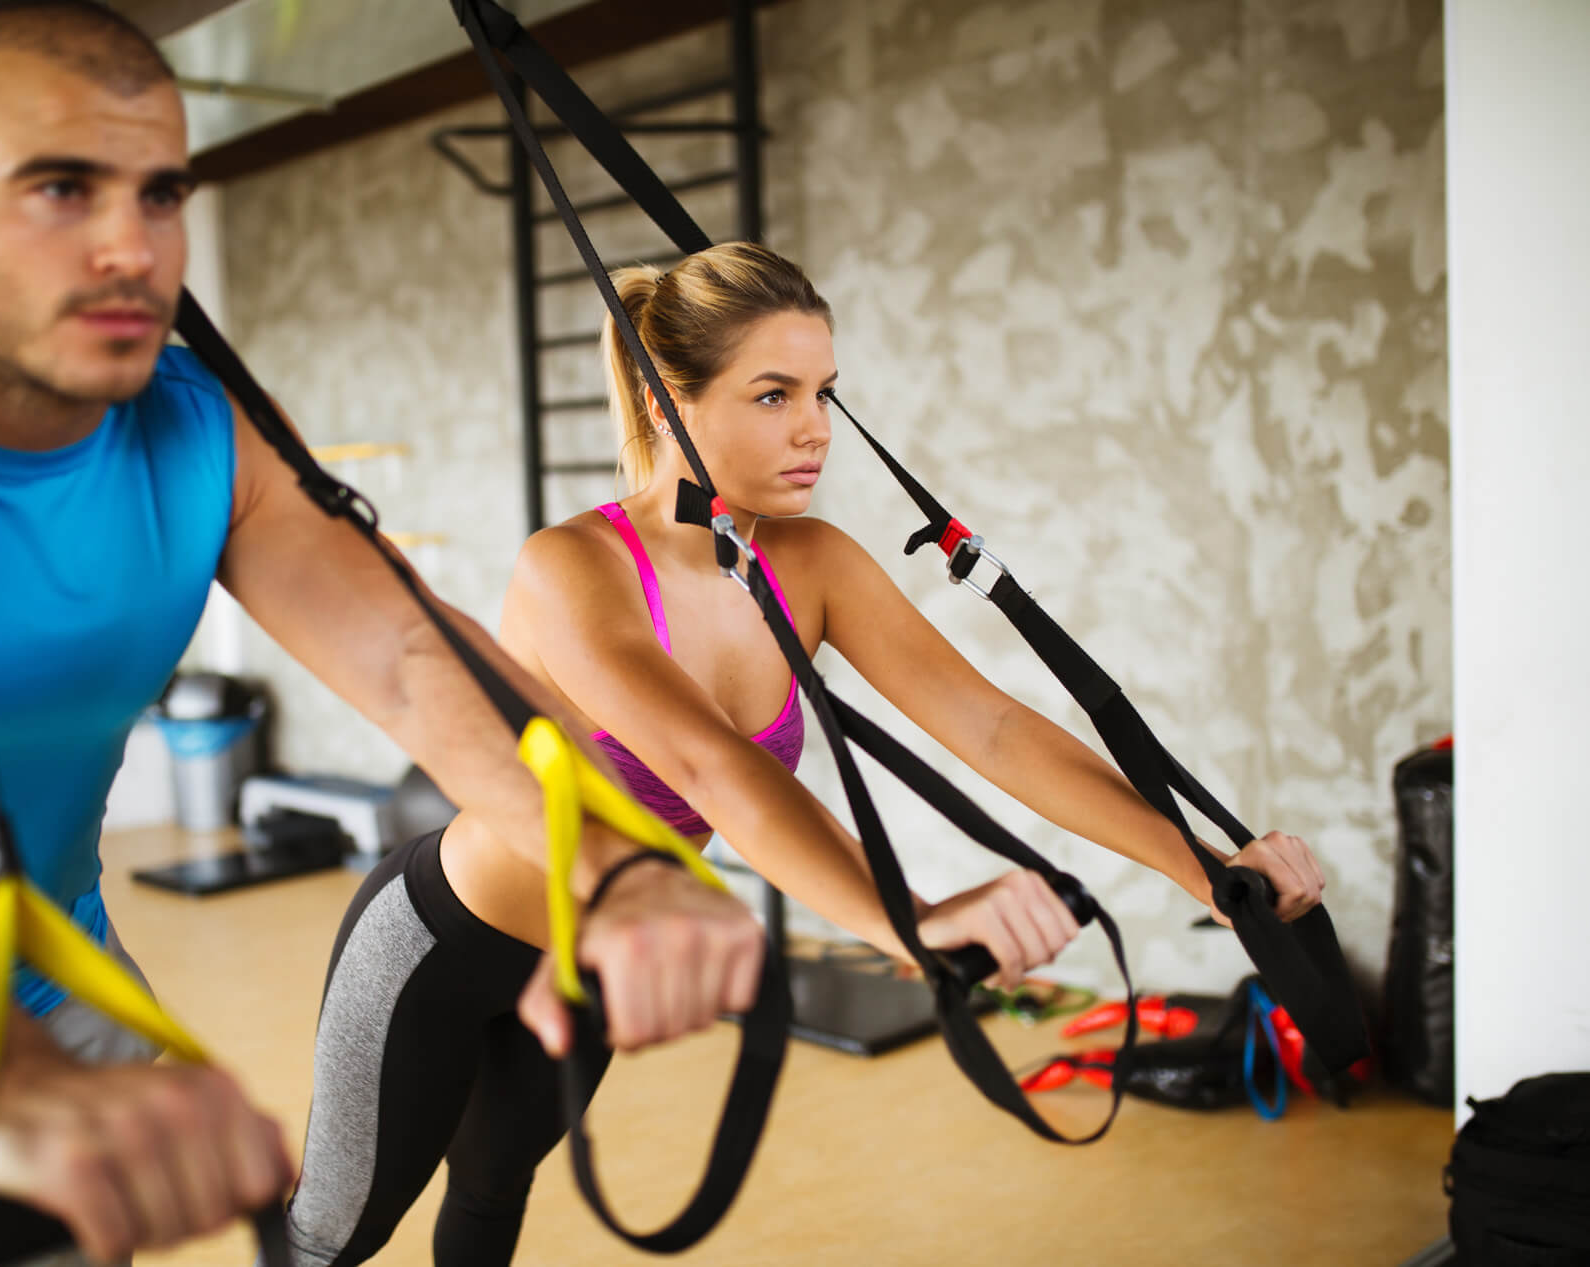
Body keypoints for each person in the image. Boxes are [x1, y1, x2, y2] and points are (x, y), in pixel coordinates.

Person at [0, 4, 764, 1263]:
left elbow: (414, 659)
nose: (127, 248)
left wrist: (614, 863)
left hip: (48, 989)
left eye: (159, 195)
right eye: (60, 189)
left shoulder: (199, 426)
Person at [284, 241, 1330, 1266]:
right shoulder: (574, 567)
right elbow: (707, 768)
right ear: (667, 403)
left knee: (490, 1198)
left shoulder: (813, 563)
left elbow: (990, 725)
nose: (816, 430)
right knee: (335, 1235)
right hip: (443, 943)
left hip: (598, 957)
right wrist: (907, 923)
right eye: (773, 394)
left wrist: (1207, 868)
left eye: (825, 393)